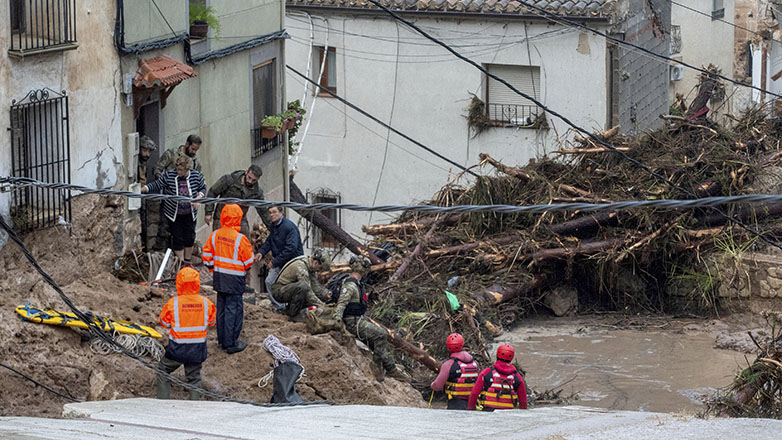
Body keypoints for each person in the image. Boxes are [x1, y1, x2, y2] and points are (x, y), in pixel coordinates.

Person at [334, 255, 408, 382]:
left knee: (379, 340)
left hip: (359, 319)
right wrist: (337, 322)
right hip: (352, 321)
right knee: (380, 334)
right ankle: (378, 368)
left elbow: (355, 299)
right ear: (364, 269)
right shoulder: (350, 285)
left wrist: (369, 296)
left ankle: (389, 366)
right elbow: (342, 303)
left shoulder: (356, 283)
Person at [156, 267, 216, 400]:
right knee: (194, 378)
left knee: (162, 370)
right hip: (197, 349)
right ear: (197, 283)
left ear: (179, 283)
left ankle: (162, 403)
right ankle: (194, 407)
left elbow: (164, 322)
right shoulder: (206, 303)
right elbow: (212, 322)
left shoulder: (173, 303)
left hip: (177, 348)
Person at [202, 203, 254, 354]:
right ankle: (231, 344)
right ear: (238, 218)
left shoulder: (215, 235)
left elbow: (206, 255)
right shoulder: (240, 239)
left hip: (219, 277)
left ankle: (222, 341)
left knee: (222, 309)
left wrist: (212, 268)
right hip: (235, 279)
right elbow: (249, 261)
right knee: (234, 310)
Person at [142, 154, 206, 266]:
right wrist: (144, 189)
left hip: (190, 213)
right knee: (178, 237)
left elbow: (203, 188)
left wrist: (198, 198)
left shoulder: (196, 176)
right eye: (177, 169)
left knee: (189, 236)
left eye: (181, 170)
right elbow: (157, 184)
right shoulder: (169, 175)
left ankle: (187, 261)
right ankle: (180, 262)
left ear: (187, 169)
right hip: (174, 213)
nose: (178, 172)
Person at [149, 135, 203, 251]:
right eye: (193, 149)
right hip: (169, 202)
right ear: (187, 144)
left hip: (186, 207)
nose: (194, 152)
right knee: (164, 230)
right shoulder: (171, 154)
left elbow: (199, 181)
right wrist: (166, 182)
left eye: (196, 150)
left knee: (184, 234)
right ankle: (161, 255)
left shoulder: (195, 163)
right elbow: (157, 169)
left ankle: (179, 258)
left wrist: (197, 196)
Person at [256, 205, 304, 307]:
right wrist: (261, 252)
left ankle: (293, 308)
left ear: (281, 213)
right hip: (280, 261)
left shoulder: (289, 227)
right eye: (270, 213)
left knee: (290, 286)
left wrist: (274, 262)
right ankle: (279, 306)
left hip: (292, 263)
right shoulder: (274, 226)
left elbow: (291, 249)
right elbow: (269, 241)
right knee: (269, 281)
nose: (271, 215)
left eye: (274, 212)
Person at [204, 165, 272, 235]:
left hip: (240, 220)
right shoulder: (229, 180)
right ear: (246, 172)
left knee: (245, 242)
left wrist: (272, 228)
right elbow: (212, 192)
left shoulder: (256, 192)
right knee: (220, 240)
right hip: (222, 218)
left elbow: (263, 211)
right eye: (249, 177)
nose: (250, 181)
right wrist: (208, 213)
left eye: (254, 180)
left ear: (258, 179)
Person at [270, 249, 331, 318]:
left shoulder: (310, 265)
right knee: (303, 287)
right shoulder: (301, 266)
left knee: (317, 294)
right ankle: (292, 314)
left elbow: (315, 285)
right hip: (279, 290)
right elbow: (308, 290)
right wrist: (321, 305)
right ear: (316, 263)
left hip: (290, 289)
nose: (319, 271)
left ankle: (287, 311)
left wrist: (325, 294)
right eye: (320, 269)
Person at [468, 344, 528, 411]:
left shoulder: (486, 372)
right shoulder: (517, 376)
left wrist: (471, 410)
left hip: (488, 412)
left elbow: (474, 394)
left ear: (497, 355)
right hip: (509, 414)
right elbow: (523, 401)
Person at [430, 333, 480, 410]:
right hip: (473, 403)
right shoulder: (475, 363)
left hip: (455, 404)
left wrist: (432, 385)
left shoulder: (448, 364)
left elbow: (437, 386)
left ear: (448, 347)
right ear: (462, 344)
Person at [137, 136, 156, 251]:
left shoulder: (144, 163)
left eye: (149, 152)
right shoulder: (137, 163)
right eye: (144, 151)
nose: (147, 154)